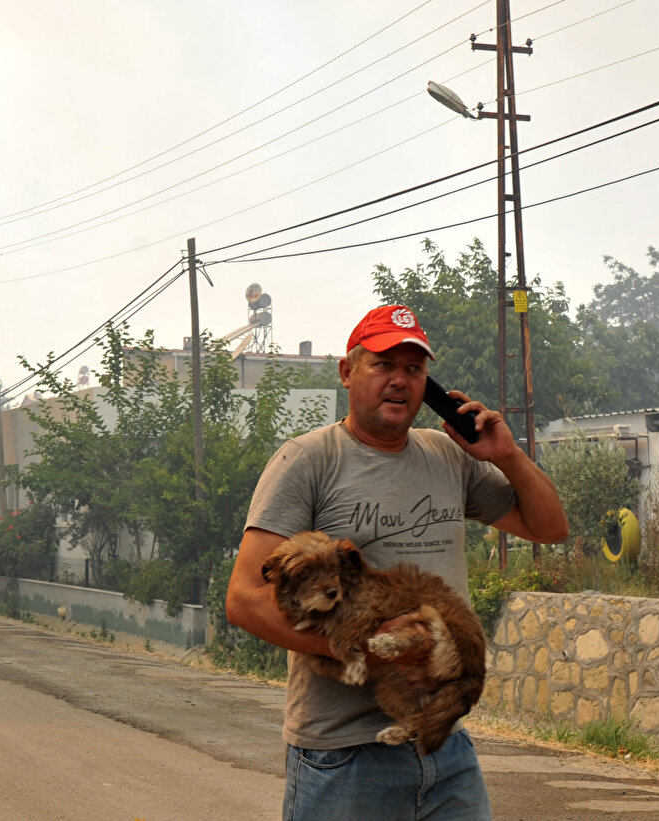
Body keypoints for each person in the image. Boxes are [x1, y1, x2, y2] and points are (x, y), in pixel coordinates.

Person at [225, 304, 569, 821]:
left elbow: (550, 528)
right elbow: (244, 600)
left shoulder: (449, 455)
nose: (399, 381)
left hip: (443, 745)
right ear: (347, 371)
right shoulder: (308, 461)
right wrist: (368, 652)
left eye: (414, 369)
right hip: (343, 754)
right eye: (383, 364)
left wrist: (507, 455)